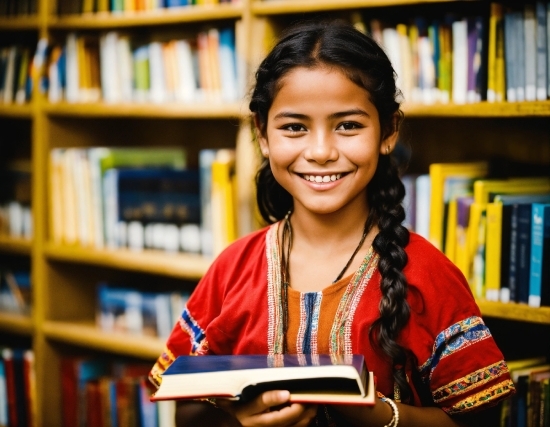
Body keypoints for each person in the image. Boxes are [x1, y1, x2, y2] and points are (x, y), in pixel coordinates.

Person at [149, 19, 515, 427]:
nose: (321, 151)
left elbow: (479, 418)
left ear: (389, 131)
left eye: (348, 125)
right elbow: (186, 406)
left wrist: (383, 416)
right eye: (294, 127)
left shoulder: (428, 274)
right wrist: (241, 419)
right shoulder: (233, 269)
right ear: (263, 134)